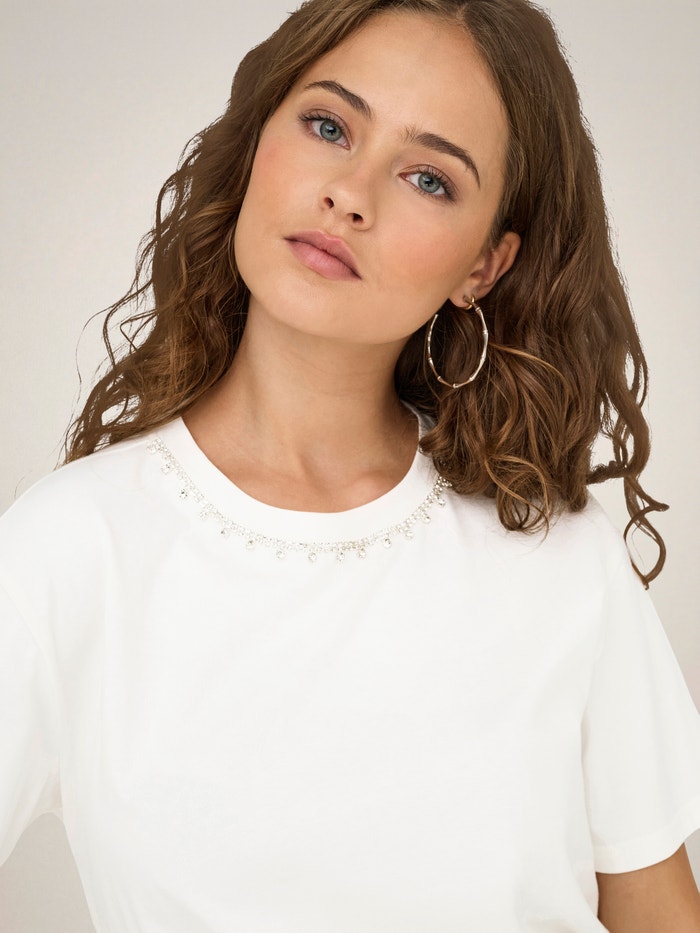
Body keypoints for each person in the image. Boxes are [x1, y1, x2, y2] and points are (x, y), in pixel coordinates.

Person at [1, 0, 699, 929]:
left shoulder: (556, 552)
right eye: (329, 126)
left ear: (484, 267)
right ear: (259, 139)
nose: (351, 194)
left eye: (429, 178)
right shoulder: (69, 548)